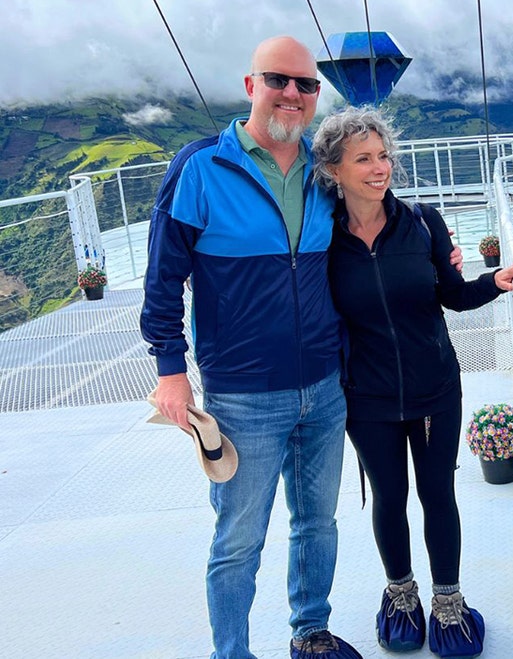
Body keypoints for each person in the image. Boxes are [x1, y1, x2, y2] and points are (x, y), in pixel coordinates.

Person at [140, 36, 370, 659]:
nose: (293, 94)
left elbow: (375, 224)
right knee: (239, 539)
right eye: (279, 80)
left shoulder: (324, 174)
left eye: (306, 85)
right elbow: (162, 278)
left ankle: (311, 633)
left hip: (324, 385)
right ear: (250, 86)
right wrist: (171, 370)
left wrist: (441, 256)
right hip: (243, 396)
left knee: (317, 524)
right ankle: (232, 653)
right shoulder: (202, 169)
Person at [312, 106, 513, 657]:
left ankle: (448, 605)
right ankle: (403, 600)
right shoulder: (322, 239)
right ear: (333, 170)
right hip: (366, 396)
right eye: (363, 158)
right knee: (388, 496)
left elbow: (451, 294)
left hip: (436, 387)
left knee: (438, 495)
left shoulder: (423, 222)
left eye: (384, 155)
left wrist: (496, 280)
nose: (379, 167)